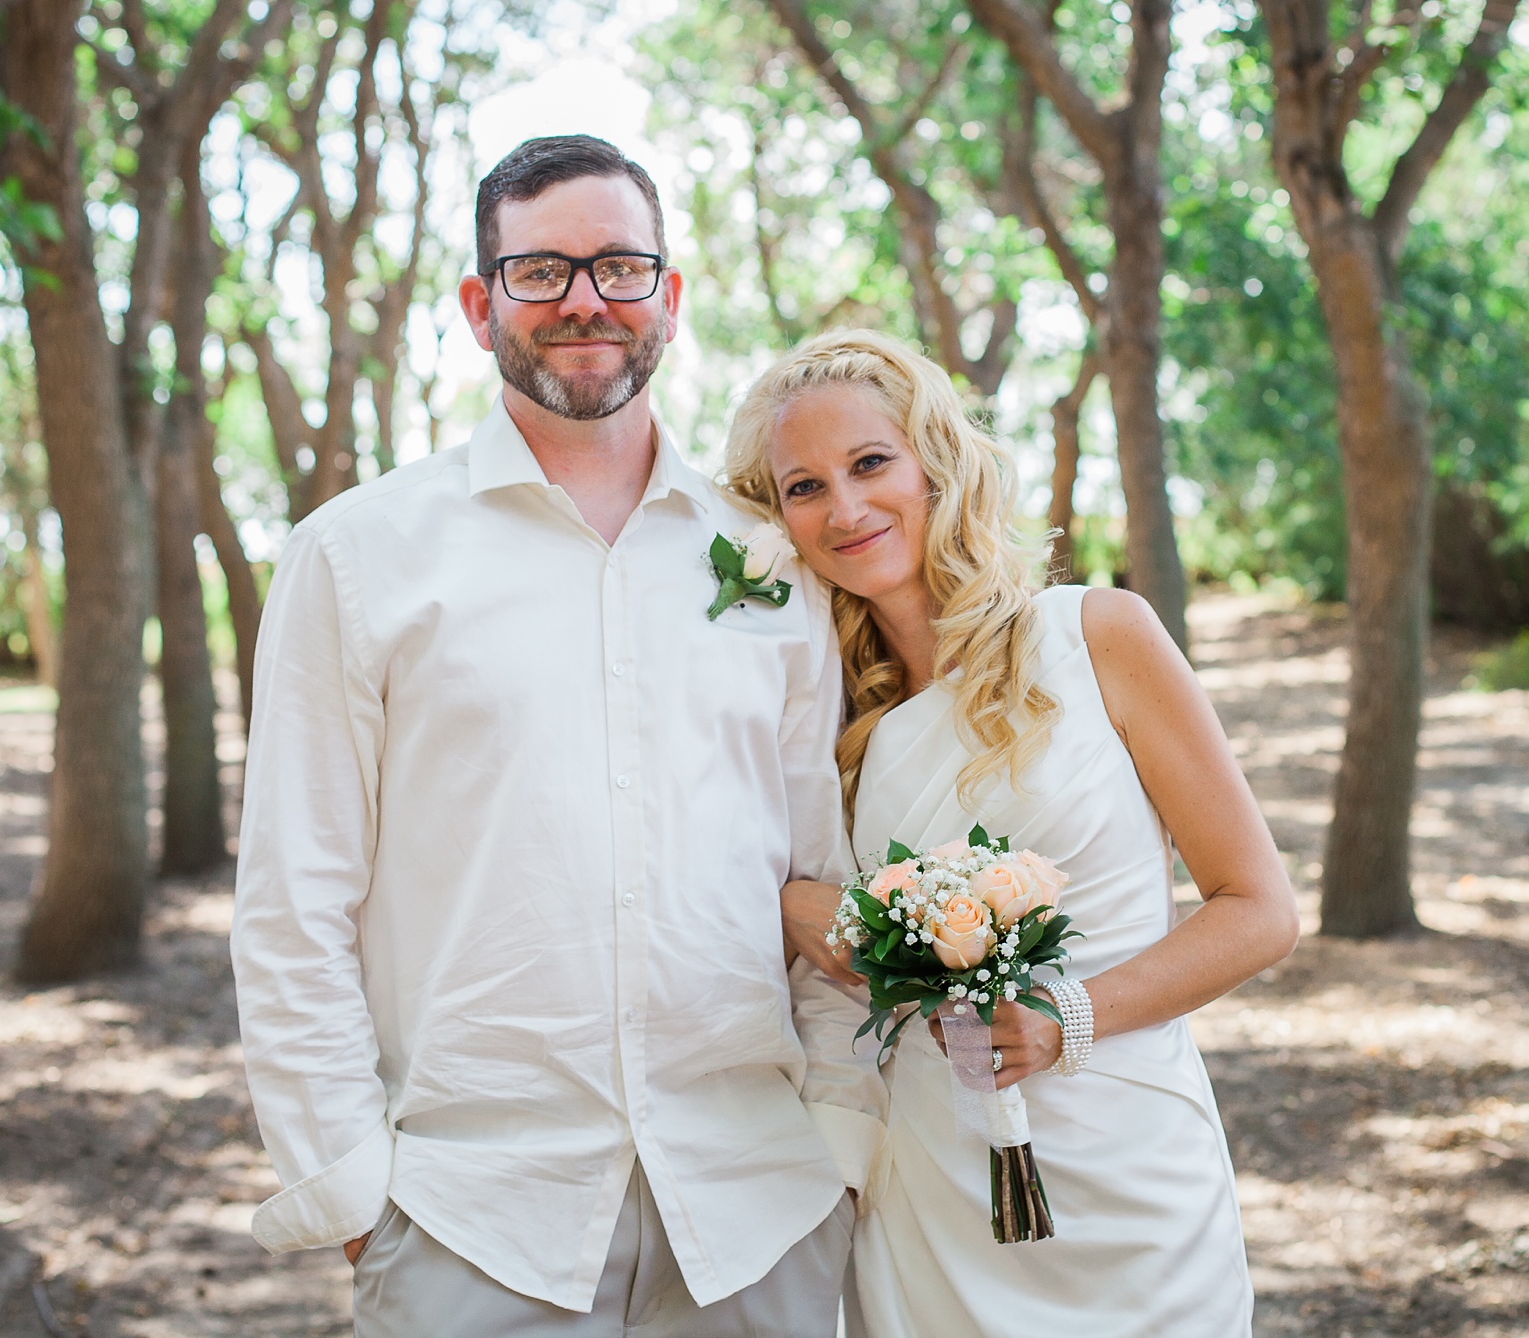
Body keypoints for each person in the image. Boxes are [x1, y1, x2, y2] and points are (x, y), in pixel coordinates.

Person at [231, 136, 881, 1338]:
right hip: (473, 1219)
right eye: (540, 272)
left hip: (757, 1209)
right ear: (482, 308)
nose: (585, 299)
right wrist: (353, 1192)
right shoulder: (357, 557)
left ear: (669, 301)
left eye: (620, 267)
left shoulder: (772, 563)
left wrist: (839, 1134)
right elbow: (294, 898)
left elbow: (819, 873)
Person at [725, 329, 1301, 1337]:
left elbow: (1259, 912)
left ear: (934, 461)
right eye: (803, 488)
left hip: (1125, 1166)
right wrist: (810, 910)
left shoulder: (1097, 637)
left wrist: (1063, 1017)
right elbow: (778, 899)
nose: (846, 508)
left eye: (869, 463)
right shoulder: (819, 726)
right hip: (933, 1179)